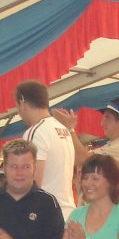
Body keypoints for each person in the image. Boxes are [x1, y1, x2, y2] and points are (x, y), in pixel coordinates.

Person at [54, 97, 119, 203]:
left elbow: (83, 159)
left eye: (107, 118)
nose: (102, 123)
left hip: (111, 210)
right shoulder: (117, 145)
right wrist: (67, 128)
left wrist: (70, 128)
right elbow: (77, 158)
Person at [15, 80, 76, 219]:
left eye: (17, 107)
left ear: (22, 103)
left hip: (47, 216)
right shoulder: (63, 129)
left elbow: (33, 183)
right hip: (68, 213)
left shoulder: (36, 132)